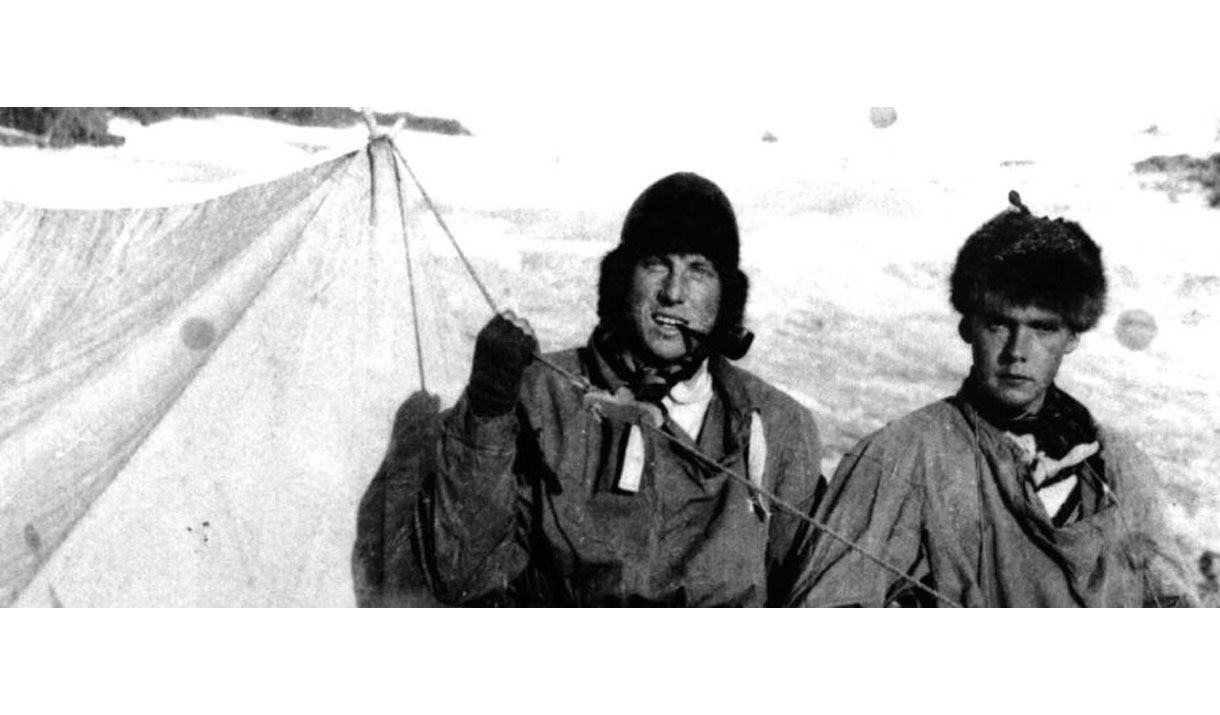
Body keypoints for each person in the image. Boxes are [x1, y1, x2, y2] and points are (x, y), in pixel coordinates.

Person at [404, 172, 825, 606]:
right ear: (623, 279)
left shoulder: (776, 427)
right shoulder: (542, 396)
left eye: (698, 270)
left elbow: (804, 591)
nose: (672, 293)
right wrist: (489, 410)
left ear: (726, 298)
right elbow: (462, 577)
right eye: (656, 263)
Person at [796, 192, 1198, 607]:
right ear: (968, 326)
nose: (1017, 351)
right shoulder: (900, 457)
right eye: (998, 324)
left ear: (1073, 336)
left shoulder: (1117, 465)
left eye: (1042, 328)